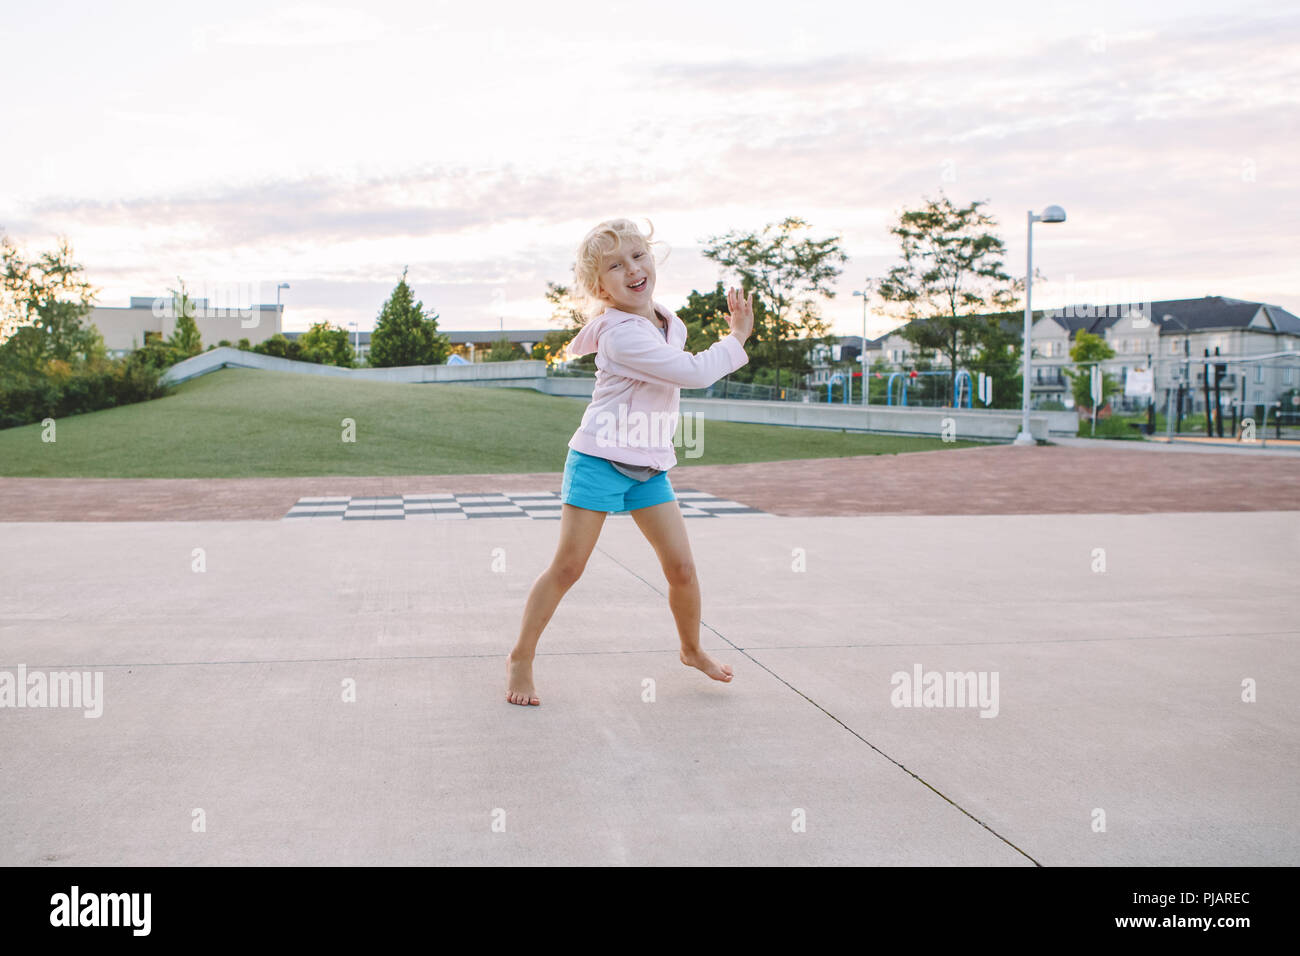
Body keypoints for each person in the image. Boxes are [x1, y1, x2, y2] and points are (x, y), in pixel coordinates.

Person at [505, 217, 754, 706]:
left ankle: (691, 649)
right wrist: (737, 337)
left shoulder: (666, 321)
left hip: (648, 464)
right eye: (616, 266)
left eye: (639, 256)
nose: (633, 270)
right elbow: (693, 373)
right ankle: (521, 658)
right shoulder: (621, 334)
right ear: (601, 287)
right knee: (568, 569)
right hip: (598, 459)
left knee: (681, 568)